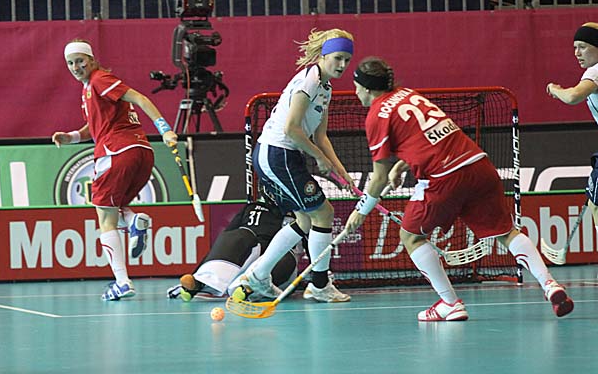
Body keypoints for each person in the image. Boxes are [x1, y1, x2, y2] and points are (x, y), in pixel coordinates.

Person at [345, 56, 574, 321]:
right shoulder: (408, 95)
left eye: (357, 86)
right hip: (478, 165)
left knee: (411, 236)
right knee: (507, 232)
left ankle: (450, 303)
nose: (355, 92)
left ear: (368, 88)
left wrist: (360, 212)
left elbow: (379, 178)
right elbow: (431, 136)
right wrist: (402, 165)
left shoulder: (376, 115)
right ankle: (549, 284)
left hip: (443, 177)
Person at [52, 39, 177, 301]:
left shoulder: (100, 79)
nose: (75, 67)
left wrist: (165, 129)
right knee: (114, 209)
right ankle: (134, 221)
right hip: (142, 154)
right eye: (70, 63)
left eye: (80, 61)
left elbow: (141, 98)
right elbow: (93, 128)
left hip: (116, 153)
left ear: (91, 60)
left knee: (105, 219)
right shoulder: (89, 88)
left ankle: (122, 282)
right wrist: (70, 137)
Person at [237, 28, 355, 303]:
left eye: (347, 60)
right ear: (323, 55)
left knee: (304, 220)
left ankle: (258, 277)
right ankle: (320, 285)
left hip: (284, 155)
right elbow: (291, 128)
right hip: (278, 154)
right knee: (324, 214)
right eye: (337, 58)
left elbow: (320, 137)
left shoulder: (325, 88)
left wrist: (340, 169)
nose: (342, 65)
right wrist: (320, 159)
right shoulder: (309, 81)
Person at [166, 193, 303, 302]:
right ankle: (201, 282)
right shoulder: (251, 207)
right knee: (240, 235)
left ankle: (249, 287)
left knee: (284, 254)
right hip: (247, 255)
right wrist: (196, 272)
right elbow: (226, 239)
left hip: (275, 264)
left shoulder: (300, 214)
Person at [547, 22, 598, 225]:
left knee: (596, 204)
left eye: (583, 47)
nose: (577, 53)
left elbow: (573, 96)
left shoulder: (595, 71)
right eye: (575, 47)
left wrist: (555, 89)